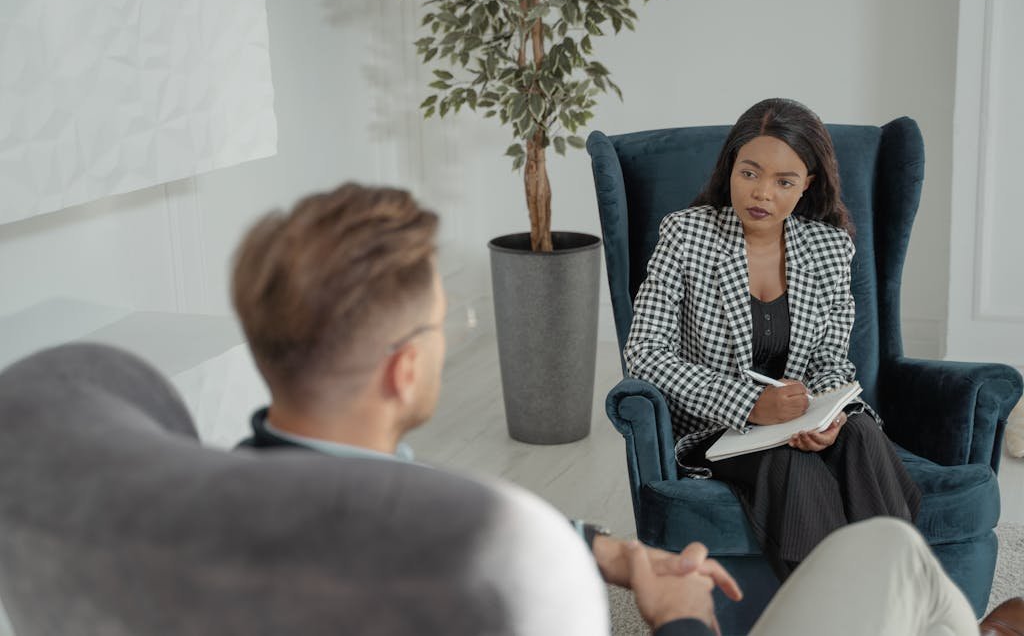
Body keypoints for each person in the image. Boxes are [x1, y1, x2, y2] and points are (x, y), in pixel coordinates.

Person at [228, 181, 998, 635]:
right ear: (404, 369)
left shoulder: (234, 488)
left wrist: (615, 552)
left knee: (889, 548)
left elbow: (441, 511)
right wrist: (680, 617)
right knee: (894, 555)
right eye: (445, 322)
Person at [624, 98, 921, 578]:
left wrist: (831, 414)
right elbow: (645, 353)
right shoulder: (686, 235)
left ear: (808, 185)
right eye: (749, 173)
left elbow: (830, 360)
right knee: (791, 465)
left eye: (784, 181)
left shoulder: (828, 247)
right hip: (718, 428)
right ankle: (832, 612)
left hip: (799, 418)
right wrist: (747, 403)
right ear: (730, 169)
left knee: (863, 433)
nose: (761, 193)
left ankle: (903, 591)